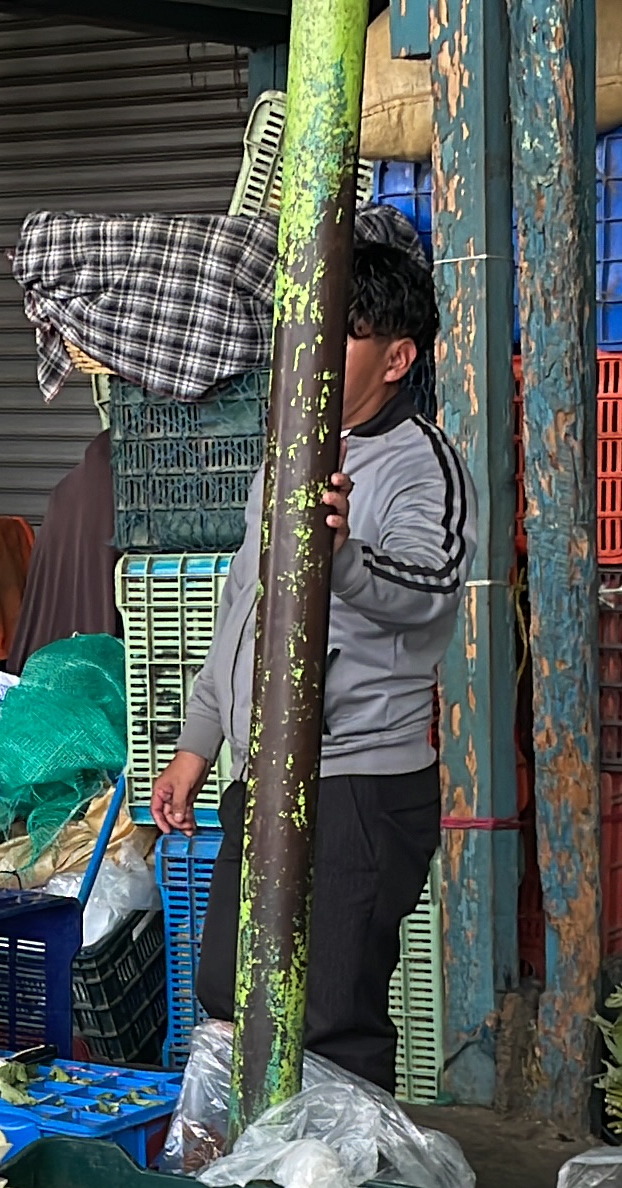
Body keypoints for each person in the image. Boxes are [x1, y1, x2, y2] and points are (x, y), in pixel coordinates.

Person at [152, 237, 466, 1091]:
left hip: (360, 785)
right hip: (264, 776)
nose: (315, 356)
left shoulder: (421, 463)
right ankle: (254, 1184)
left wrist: (342, 560)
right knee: (227, 986)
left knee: (330, 1013)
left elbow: (429, 591)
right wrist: (198, 743)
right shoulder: (285, 461)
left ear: (397, 358)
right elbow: (241, 614)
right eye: (307, 333)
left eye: (343, 335)